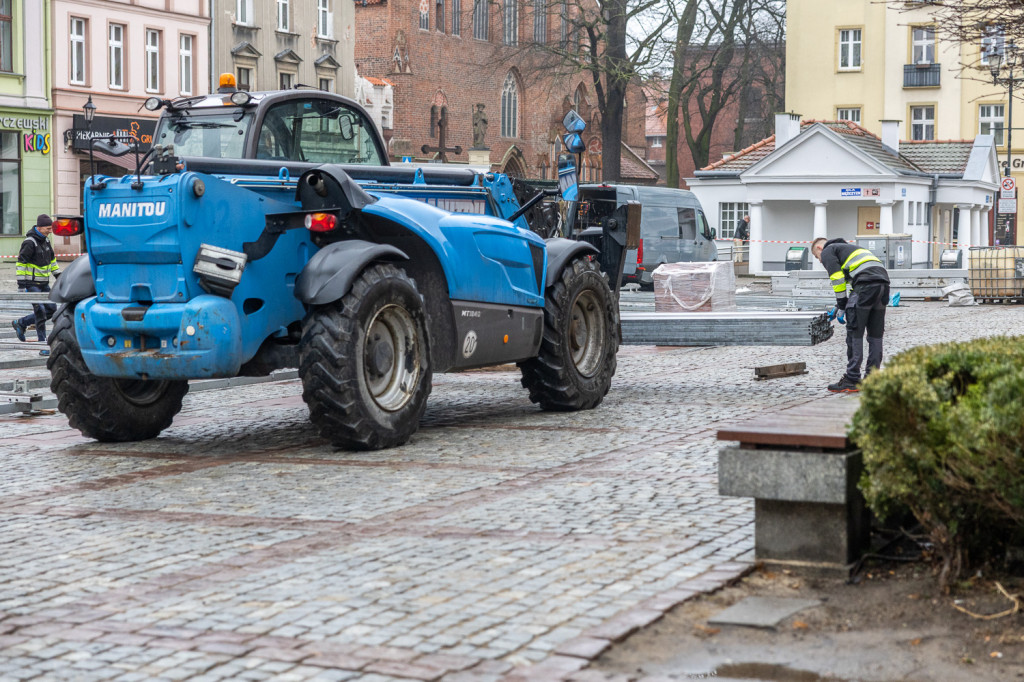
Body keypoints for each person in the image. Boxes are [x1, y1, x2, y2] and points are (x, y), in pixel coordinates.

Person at [811, 236, 890, 393]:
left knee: (855, 332)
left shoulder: (828, 251)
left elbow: (837, 280)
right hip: (883, 286)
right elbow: (853, 286)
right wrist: (840, 305)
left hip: (865, 285)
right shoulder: (850, 250)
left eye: (816, 257)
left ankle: (852, 379)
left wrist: (842, 306)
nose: (820, 261)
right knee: (875, 335)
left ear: (820, 248)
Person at [12, 214, 60, 355]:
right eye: (47, 228)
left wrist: (59, 276)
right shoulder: (29, 242)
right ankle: (43, 345)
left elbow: (52, 261)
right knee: (40, 312)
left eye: (51, 228)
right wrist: (21, 285)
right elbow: (21, 264)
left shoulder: (46, 241)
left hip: (44, 284)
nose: (50, 230)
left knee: (51, 310)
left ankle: (21, 322)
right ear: (39, 227)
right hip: (31, 284)